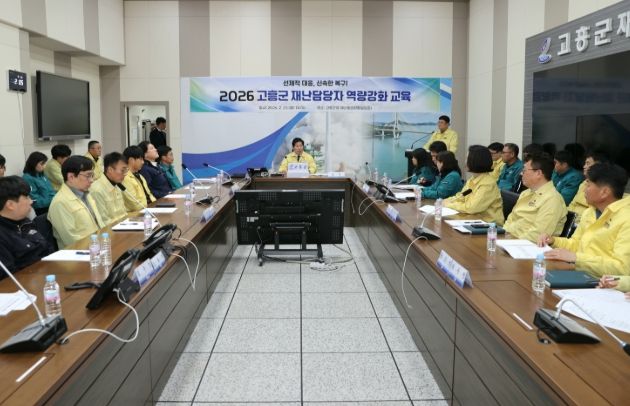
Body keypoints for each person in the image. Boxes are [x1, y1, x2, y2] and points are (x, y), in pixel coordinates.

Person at [539, 163, 630, 277]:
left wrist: (577, 258)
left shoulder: (626, 218)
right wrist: (553, 241)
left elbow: (622, 268)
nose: (583, 191)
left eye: (588, 185)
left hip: (603, 282)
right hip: (580, 274)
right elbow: (577, 244)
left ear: (604, 192)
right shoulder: (590, 212)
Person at [503, 153, 567, 242]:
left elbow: (537, 235)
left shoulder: (552, 199)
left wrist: (509, 242)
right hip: (508, 240)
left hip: (526, 246)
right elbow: (511, 219)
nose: (521, 173)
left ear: (538, 173)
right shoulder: (525, 193)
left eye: (524, 170)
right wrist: (502, 235)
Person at [0, 176, 55, 277]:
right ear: (10, 205)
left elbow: (48, 249)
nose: (31, 201)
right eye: (26, 197)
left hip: (49, 273)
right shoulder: (3, 234)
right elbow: (9, 276)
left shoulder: (26, 222)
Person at [48, 156, 104, 249]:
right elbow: (71, 240)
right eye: (88, 176)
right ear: (71, 177)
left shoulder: (86, 194)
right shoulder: (60, 203)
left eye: (92, 175)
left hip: (97, 245)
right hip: (80, 252)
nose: (92, 180)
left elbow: (99, 224)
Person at [444, 145, 504, 225]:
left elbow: (472, 208)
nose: (465, 161)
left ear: (476, 161)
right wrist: (445, 201)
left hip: (489, 226)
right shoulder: (472, 179)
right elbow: (460, 197)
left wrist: (449, 205)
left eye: (467, 158)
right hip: (473, 220)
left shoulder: (487, 184)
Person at [567, 151, 609, 223]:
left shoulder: (601, 187)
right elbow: (572, 204)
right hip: (571, 219)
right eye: (585, 163)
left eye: (588, 163)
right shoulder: (583, 183)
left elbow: (594, 213)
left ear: (598, 166)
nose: (584, 166)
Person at [89, 152, 128, 226]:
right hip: (110, 230)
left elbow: (123, 213)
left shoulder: (116, 185)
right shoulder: (97, 190)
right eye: (123, 170)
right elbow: (104, 222)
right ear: (110, 170)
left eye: (126, 170)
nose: (125, 174)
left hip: (123, 226)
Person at [122, 146, 156, 212]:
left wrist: (155, 205)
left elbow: (149, 195)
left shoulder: (140, 176)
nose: (143, 162)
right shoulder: (125, 178)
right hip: (137, 213)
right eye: (140, 159)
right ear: (131, 160)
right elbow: (134, 205)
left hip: (148, 209)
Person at [22, 151, 57, 215]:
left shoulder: (42, 175)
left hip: (51, 205)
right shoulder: (27, 178)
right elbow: (34, 198)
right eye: (42, 164)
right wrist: (51, 201)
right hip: (40, 209)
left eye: (45, 163)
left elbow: (51, 190)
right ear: (33, 163)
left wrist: (55, 199)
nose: (44, 166)